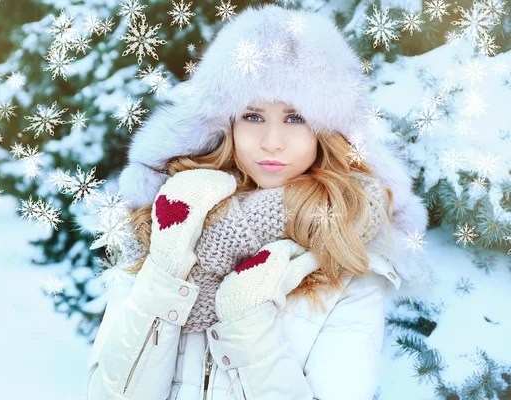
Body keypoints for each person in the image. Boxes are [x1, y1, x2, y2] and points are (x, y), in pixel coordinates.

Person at [86, 4, 437, 400]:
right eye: (253, 116)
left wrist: (247, 319)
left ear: (328, 130)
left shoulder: (351, 255)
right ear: (224, 123)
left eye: (295, 118)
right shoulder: (163, 223)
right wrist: (166, 271)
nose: (272, 141)